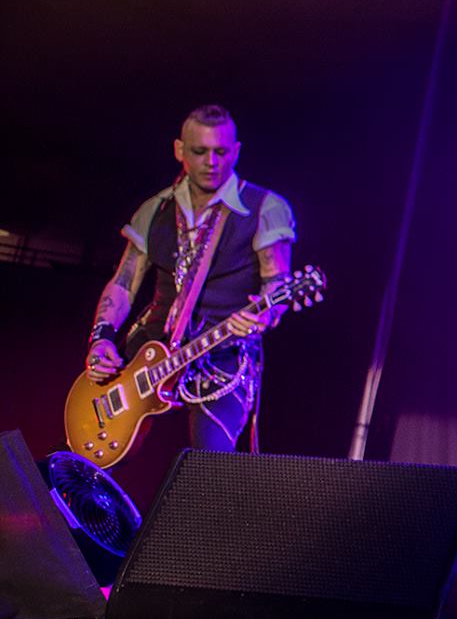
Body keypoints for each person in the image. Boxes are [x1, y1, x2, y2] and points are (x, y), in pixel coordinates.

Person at [84, 105, 297, 453]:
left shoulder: (265, 207)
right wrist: (101, 339)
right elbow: (124, 282)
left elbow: (278, 283)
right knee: (89, 454)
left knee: (209, 464)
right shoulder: (155, 208)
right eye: (200, 151)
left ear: (236, 151)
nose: (211, 162)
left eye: (221, 152)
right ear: (179, 150)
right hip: (151, 349)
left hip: (222, 355)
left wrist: (265, 314)